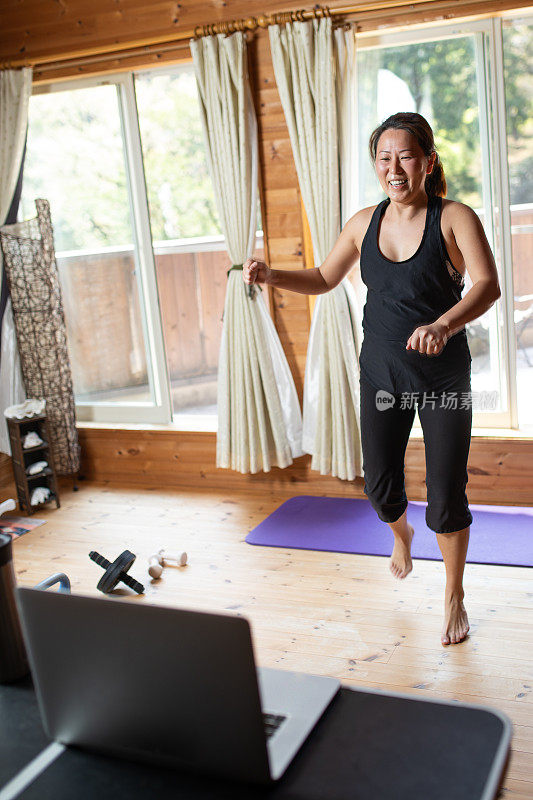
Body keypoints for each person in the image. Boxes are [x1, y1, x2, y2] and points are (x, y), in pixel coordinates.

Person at [243, 112, 501, 646]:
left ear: (428, 161)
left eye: (405, 156)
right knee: (380, 485)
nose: (394, 168)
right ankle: (400, 533)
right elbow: (322, 277)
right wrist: (272, 275)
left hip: (442, 380)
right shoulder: (364, 223)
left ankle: (453, 595)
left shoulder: (455, 218)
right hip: (381, 373)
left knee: (445, 490)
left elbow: (487, 285)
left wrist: (444, 324)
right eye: (384, 158)